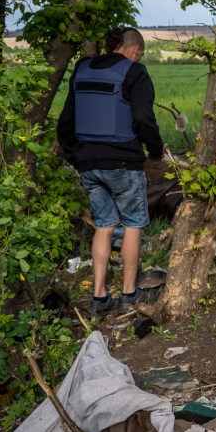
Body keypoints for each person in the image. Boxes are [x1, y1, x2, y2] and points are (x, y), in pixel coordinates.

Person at [58, 26, 165, 316]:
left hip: (88, 163)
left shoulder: (83, 69)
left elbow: (66, 119)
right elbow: (144, 117)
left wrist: (74, 158)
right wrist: (156, 150)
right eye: (139, 54)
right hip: (123, 162)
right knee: (132, 224)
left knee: (104, 225)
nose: (138, 59)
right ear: (133, 50)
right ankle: (129, 294)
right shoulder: (134, 72)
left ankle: (98, 297)